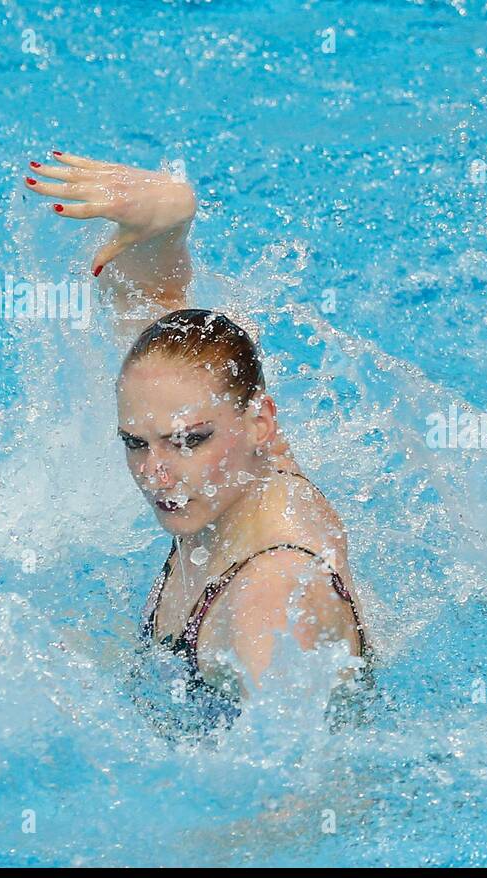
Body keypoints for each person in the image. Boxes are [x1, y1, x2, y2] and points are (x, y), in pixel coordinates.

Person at [24, 151, 367, 733]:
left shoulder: (267, 600)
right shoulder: (243, 465)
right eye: (135, 442)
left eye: (187, 442)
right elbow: (166, 332)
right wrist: (167, 225)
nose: (156, 472)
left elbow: (294, 797)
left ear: (263, 424)